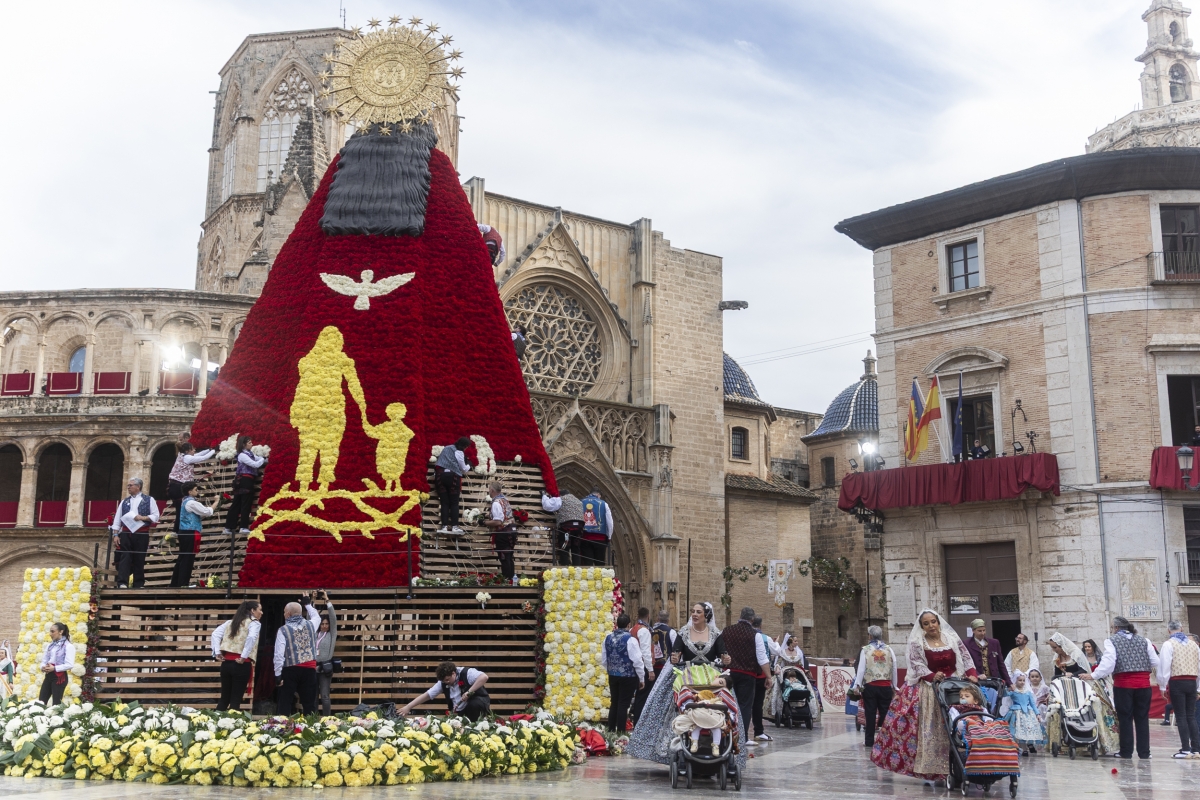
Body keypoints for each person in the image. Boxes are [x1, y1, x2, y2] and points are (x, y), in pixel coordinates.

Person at [629, 602, 740, 771]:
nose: (694, 614)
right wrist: (674, 657)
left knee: (721, 700)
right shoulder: (683, 632)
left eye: (698, 612)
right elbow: (676, 653)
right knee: (682, 702)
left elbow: (723, 654)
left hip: (710, 676)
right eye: (693, 611)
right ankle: (681, 745)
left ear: (706, 615)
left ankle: (717, 742)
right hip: (688, 675)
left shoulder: (715, 634)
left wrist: (726, 659)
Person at [871, 608, 978, 784]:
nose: (931, 626)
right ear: (922, 627)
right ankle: (934, 769)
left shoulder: (951, 638)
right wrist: (931, 676)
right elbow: (917, 664)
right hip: (930, 689)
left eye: (933, 622)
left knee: (957, 725)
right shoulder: (918, 643)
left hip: (953, 687)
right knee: (930, 729)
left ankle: (962, 763)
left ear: (938, 622)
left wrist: (972, 674)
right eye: (926, 623)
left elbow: (966, 658)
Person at [1085, 615, 1159, 760]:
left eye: (1113, 627)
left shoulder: (1111, 640)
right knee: (1142, 718)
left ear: (1117, 627)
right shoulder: (1144, 640)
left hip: (1124, 685)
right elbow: (1155, 661)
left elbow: (1109, 663)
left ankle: (1126, 752)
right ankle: (1145, 752)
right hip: (1144, 685)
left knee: (1125, 718)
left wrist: (1094, 675)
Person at [722, 607, 772, 746]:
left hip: (728, 674)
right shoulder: (755, 635)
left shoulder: (726, 631)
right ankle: (741, 737)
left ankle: (725, 734)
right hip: (747, 674)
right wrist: (768, 677)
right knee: (744, 706)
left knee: (727, 703)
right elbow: (762, 658)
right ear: (752, 619)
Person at [1157, 620, 1200, 758]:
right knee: (1191, 716)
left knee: (1181, 716)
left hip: (1177, 681)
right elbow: (1199, 667)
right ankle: (1196, 749)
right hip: (1192, 681)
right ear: (1181, 629)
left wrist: (1162, 685)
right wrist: (1198, 687)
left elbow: (1164, 666)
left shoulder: (1168, 644)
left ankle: (1185, 749)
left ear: (1168, 630)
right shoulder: (1194, 645)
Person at [273, 597, 322, 715]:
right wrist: (308, 605)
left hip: (290, 669)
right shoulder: (311, 625)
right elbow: (317, 617)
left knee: (285, 702)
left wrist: (278, 674)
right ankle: (310, 725)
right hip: (309, 669)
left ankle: (282, 724)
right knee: (309, 704)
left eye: (284, 612)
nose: (284, 614)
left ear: (289, 614)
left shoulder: (283, 630)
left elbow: (279, 654)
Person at [211, 600, 263, 711]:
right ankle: (232, 721)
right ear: (252, 610)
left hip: (226, 664)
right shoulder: (254, 623)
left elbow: (215, 634)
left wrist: (217, 652)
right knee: (235, 700)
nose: (261, 612)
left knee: (224, 699)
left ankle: (216, 720)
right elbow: (251, 637)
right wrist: (244, 656)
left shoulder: (230, 622)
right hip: (241, 664)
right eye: (260, 610)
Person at [851, 625, 898, 748]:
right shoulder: (889, 649)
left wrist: (857, 685)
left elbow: (861, 669)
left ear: (870, 636)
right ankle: (887, 739)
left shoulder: (865, 650)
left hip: (870, 686)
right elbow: (894, 667)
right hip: (885, 685)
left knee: (870, 713)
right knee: (886, 713)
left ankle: (869, 741)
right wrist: (894, 685)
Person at [110, 477, 160, 589]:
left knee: (139, 558)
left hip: (141, 533)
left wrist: (142, 517)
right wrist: (115, 534)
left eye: (130, 485)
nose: (128, 487)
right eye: (128, 485)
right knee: (125, 557)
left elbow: (156, 516)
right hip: (126, 533)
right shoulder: (124, 501)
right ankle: (122, 582)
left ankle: (138, 583)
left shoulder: (149, 500)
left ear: (138, 486)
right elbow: (117, 519)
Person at [398, 660, 491, 721]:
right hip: (459, 711)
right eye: (444, 681)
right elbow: (427, 695)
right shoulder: (443, 682)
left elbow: (484, 677)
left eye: (447, 679)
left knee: (473, 705)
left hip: (478, 703)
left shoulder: (467, 673)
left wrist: (469, 692)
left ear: (453, 673)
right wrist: (408, 707)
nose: (446, 682)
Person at [601, 613, 645, 733]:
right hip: (628, 676)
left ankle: (611, 730)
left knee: (614, 702)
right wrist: (641, 678)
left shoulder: (607, 638)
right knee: (623, 704)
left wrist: (611, 669)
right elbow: (637, 661)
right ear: (628, 625)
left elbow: (604, 659)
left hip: (613, 674)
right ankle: (620, 732)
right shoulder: (630, 639)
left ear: (616, 624)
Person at [170, 481, 220, 588]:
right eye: (196, 489)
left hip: (185, 532)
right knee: (187, 559)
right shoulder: (191, 502)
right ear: (190, 491)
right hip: (189, 533)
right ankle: (183, 584)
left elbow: (198, 515)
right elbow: (207, 512)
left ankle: (176, 583)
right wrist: (216, 501)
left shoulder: (185, 501)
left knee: (183, 558)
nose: (197, 491)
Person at [166, 441, 215, 533]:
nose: (194, 450)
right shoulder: (187, 458)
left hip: (175, 486)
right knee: (180, 510)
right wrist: (214, 451)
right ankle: (177, 531)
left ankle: (177, 531)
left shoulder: (182, 456)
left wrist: (209, 450)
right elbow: (203, 458)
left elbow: (198, 454)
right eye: (193, 449)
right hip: (177, 486)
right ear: (187, 451)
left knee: (180, 509)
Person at [223, 436, 265, 535]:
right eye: (249, 443)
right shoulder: (242, 455)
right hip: (245, 480)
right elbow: (255, 464)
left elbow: (259, 459)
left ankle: (229, 527)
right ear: (243, 444)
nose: (252, 444)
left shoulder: (250, 454)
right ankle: (242, 527)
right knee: (244, 503)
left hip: (243, 481)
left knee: (237, 503)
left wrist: (263, 459)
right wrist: (263, 459)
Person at [483, 481, 519, 583]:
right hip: (511, 530)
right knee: (509, 557)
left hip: (504, 532)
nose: (489, 491)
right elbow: (505, 514)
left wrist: (484, 522)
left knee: (504, 557)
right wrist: (488, 515)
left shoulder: (496, 503)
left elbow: (498, 521)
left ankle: (507, 582)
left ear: (492, 490)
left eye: (489, 489)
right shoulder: (504, 499)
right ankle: (511, 581)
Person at [434, 437, 471, 533]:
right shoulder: (459, 452)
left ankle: (444, 526)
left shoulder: (447, 448)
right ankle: (454, 526)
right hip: (453, 477)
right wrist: (469, 465)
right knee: (454, 503)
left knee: (444, 502)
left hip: (440, 476)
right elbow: (464, 469)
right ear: (465, 446)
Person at [1005, 671, 1046, 755]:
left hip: (1028, 714)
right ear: (1015, 681)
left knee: (1028, 729)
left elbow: (1033, 704)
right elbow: (1005, 695)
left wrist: (1037, 714)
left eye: (1024, 680)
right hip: (1017, 713)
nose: (1022, 682)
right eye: (1020, 680)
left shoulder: (1027, 692)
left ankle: (1029, 744)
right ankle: (1023, 749)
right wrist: (1008, 689)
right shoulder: (1013, 691)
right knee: (1019, 730)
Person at [965, 619, 1012, 689]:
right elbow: (966, 664)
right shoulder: (966, 644)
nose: (982, 633)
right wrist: (977, 674)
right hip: (976, 682)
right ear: (973, 631)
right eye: (979, 631)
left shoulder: (994, 643)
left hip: (993, 681)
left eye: (984, 630)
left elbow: (1001, 664)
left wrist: (1009, 683)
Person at [628, 607, 656, 724]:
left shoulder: (633, 629)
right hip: (643, 666)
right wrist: (650, 670)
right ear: (648, 616)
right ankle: (639, 722)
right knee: (642, 696)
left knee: (639, 695)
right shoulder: (644, 631)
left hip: (635, 665)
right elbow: (645, 652)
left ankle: (636, 720)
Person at [541, 492, 584, 566]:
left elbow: (547, 505)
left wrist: (544, 496)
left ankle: (565, 567)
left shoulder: (561, 499)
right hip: (579, 527)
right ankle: (577, 568)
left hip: (567, 527)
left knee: (564, 547)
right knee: (576, 549)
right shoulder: (578, 501)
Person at [751, 615, 776, 742]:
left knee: (744, 704)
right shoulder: (765, 638)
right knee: (757, 704)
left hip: (746, 672)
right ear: (761, 625)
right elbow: (776, 651)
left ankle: (741, 733)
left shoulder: (746, 635)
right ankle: (758, 731)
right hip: (760, 674)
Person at [38, 622, 75, 705]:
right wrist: (43, 667)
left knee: (56, 704)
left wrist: (54, 668)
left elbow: (70, 664)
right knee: (41, 702)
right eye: (50, 631)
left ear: (60, 632)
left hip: (59, 677)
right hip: (49, 675)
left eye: (53, 631)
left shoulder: (68, 646)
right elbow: (44, 660)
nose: (50, 634)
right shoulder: (50, 646)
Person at [315, 593, 338, 716]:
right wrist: (312, 600)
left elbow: (333, 618)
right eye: (322, 624)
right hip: (313, 666)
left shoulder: (331, 635)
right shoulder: (315, 634)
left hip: (325, 667)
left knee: (324, 696)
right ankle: (312, 718)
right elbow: (310, 617)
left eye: (326, 624)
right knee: (313, 695)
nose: (324, 626)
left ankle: (326, 718)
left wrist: (327, 600)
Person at [579, 490, 613, 567]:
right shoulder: (604, 504)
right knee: (600, 563)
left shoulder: (581, 502)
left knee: (587, 563)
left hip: (585, 537)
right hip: (600, 538)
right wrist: (609, 536)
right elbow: (610, 522)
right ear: (598, 495)